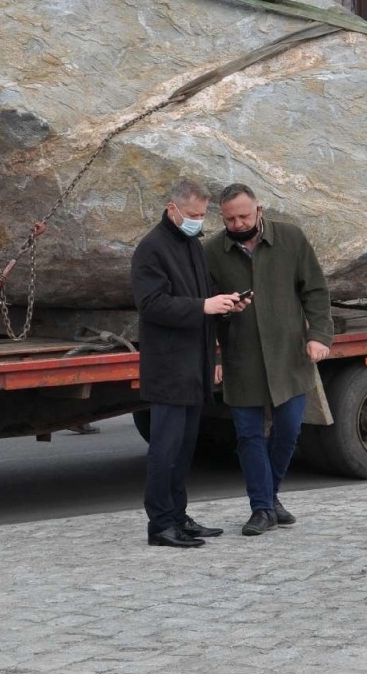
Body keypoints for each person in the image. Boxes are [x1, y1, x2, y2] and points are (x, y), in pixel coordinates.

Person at [205, 184, 333, 537]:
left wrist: (319, 336)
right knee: (248, 436)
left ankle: (270, 497)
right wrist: (222, 331)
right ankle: (261, 508)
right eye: (230, 219)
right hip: (241, 358)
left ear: (259, 209)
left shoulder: (290, 238)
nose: (238, 223)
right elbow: (206, 310)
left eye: (244, 215)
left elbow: (316, 291)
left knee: (288, 431)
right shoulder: (212, 252)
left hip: (289, 356)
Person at [130, 180, 244, 549]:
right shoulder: (150, 249)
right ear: (172, 208)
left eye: (201, 216)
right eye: (193, 215)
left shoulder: (192, 244)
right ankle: (160, 524)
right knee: (165, 450)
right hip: (167, 367)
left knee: (184, 449)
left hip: (194, 365)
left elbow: (203, 296)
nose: (198, 221)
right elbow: (151, 305)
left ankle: (179, 516)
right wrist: (202, 307)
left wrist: (225, 303)